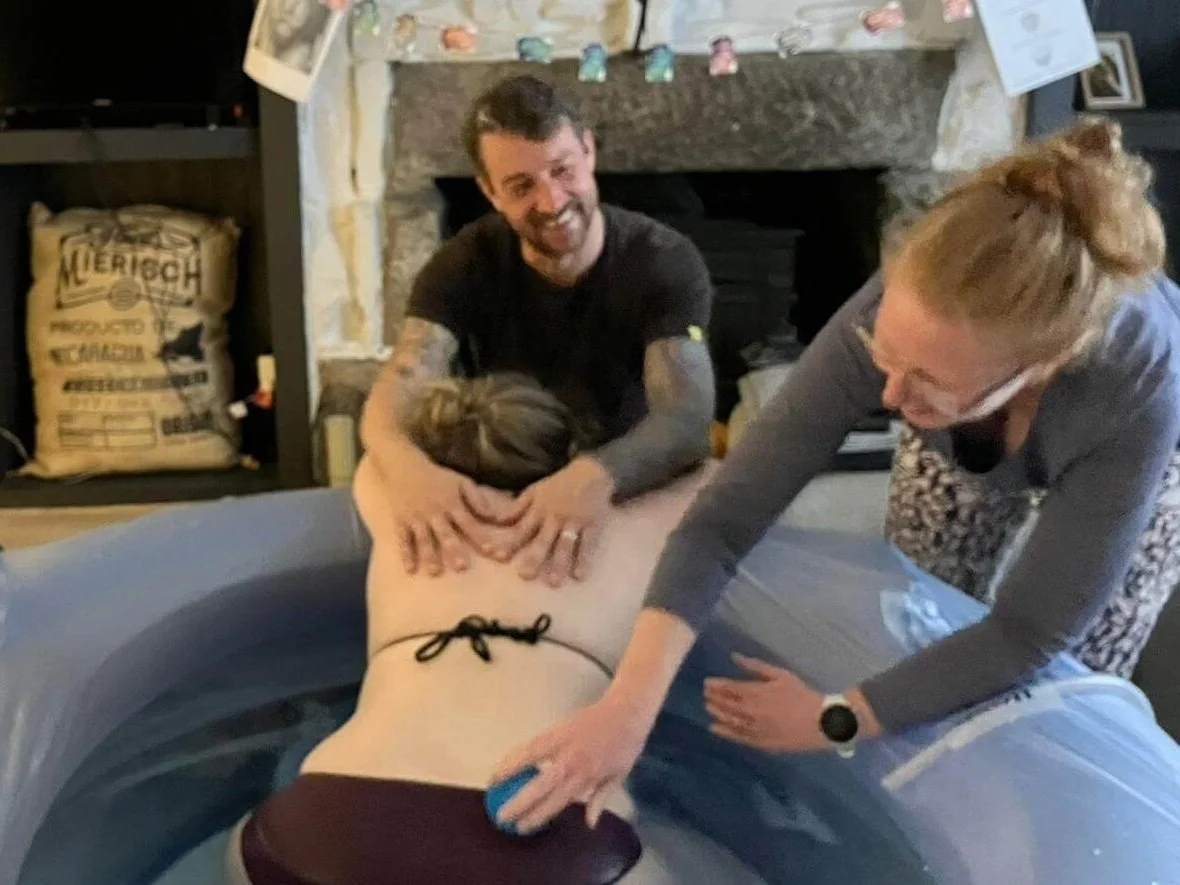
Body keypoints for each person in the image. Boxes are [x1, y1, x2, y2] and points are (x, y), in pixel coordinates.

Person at [491, 117, 1180, 834]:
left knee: (1069, 682)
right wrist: (626, 708)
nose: (891, 399)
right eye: (887, 360)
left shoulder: (1138, 391)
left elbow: (1029, 633)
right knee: (918, 601)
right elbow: (723, 521)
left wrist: (838, 717)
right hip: (972, 394)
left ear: (1035, 370)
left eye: (927, 381)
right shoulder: (902, 319)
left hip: (1130, 450)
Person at [228, 374, 760, 885]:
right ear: (571, 453)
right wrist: (598, 475)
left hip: (314, 830)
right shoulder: (632, 524)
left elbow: (383, 435)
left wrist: (421, 464)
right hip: (551, 840)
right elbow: (711, 465)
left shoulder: (399, 504)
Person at [358, 74, 716, 586]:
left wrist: (595, 476)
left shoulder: (664, 259)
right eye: (521, 186)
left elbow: (687, 419)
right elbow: (401, 383)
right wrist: (412, 471)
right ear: (489, 191)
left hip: (624, 481)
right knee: (376, 470)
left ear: (588, 151)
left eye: (562, 170)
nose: (551, 202)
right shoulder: (464, 262)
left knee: (710, 485)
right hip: (503, 482)